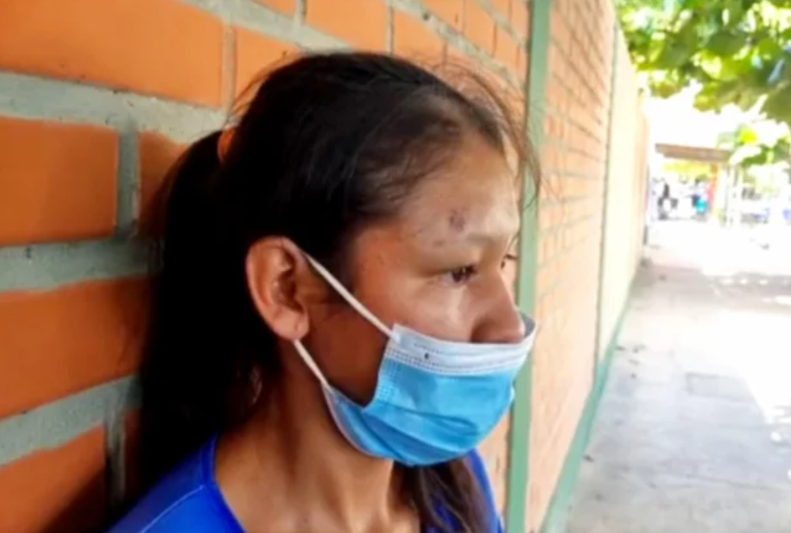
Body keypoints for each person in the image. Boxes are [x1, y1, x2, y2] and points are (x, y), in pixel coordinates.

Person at [106, 51, 538, 533]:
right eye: (459, 271)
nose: (510, 326)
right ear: (286, 288)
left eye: (503, 261)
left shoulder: (454, 484)